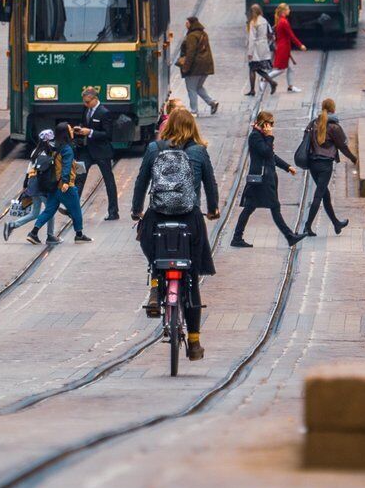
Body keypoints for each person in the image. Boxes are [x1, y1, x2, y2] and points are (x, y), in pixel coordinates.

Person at [130, 108, 219, 361]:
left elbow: (141, 182)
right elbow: (210, 184)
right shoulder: (199, 151)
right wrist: (213, 209)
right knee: (190, 278)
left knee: (151, 249)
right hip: (189, 219)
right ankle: (194, 342)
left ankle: (156, 287)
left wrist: (137, 210)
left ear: (167, 127)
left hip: (158, 217)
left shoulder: (154, 149)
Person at [232, 112, 302, 247]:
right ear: (264, 123)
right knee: (274, 206)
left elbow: (271, 156)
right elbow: (267, 152)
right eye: (270, 124)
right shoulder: (255, 136)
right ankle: (289, 236)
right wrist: (270, 136)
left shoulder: (261, 136)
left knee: (250, 207)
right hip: (262, 179)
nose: (271, 127)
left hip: (264, 178)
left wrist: (287, 167)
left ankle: (237, 238)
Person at [303, 99, 359, 236]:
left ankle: (336, 223)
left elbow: (305, 140)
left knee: (325, 194)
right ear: (333, 109)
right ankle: (307, 226)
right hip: (325, 166)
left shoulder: (313, 123)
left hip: (313, 164)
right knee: (319, 195)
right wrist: (353, 158)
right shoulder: (334, 127)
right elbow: (343, 146)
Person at [23, 123, 85, 245]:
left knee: (49, 210)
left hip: (53, 185)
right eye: (70, 129)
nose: (72, 131)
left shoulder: (53, 147)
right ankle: (79, 235)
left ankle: (33, 233)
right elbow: (66, 166)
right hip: (65, 186)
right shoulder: (67, 149)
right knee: (76, 210)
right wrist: (66, 182)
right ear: (66, 133)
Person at [74, 86, 119, 222]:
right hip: (86, 151)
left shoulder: (104, 113)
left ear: (94, 99)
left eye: (87, 102)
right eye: (84, 102)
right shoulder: (85, 110)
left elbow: (108, 134)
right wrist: (79, 129)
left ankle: (113, 211)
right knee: (79, 177)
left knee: (108, 180)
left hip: (102, 152)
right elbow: (84, 123)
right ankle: (73, 208)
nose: (85, 104)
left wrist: (90, 132)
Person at [176, 16, 219, 116]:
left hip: (195, 67)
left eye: (187, 22)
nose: (186, 24)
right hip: (205, 66)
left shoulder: (192, 36)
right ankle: (212, 103)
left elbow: (190, 53)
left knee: (191, 88)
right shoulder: (203, 34)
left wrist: (186, 67)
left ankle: (194, 111)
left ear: (191, 24)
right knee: (198, 87)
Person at [270, 4, 306, 93]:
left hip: (284, 47)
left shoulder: (281, 20)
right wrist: (300, 45)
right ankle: (265, 78)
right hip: (283, 48)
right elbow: (291, 35)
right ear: (283, 11)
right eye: (288, 9)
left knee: (290, 68)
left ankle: (290, 86)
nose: (289, 10)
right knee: (281, 69)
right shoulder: (284, 22)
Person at [245, 4, 277, 96]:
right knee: (256, 68)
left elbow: (252, 38)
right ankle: (270, 83)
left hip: (256, 48)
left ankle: (269, 83)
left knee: (253, 68)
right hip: (264, 46)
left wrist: (250, 52)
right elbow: (270, 33)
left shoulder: (253, 22)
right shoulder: (264, 20)